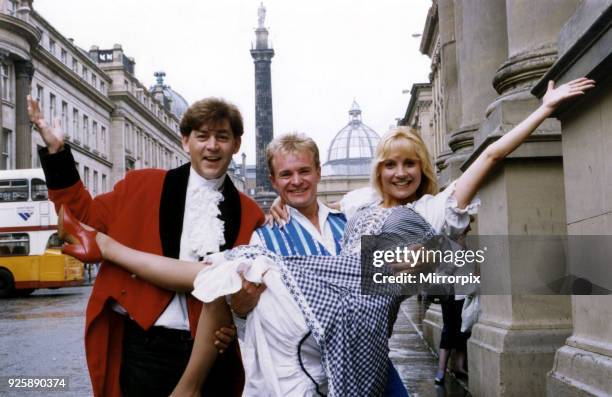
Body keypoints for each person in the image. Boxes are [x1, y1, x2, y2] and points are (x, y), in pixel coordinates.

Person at [57, 78, 594, 396]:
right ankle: (183, 374)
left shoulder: (404, 217)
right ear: (375, 174)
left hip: (366, 349)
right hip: (301, 350)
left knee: (504, 267)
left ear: (318, 172)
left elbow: (489, 160)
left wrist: (544, 110)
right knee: (221, 275)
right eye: (389, 165)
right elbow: (242, 304)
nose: (399, 174)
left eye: (409, 165)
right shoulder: (330, 213)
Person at [27, 96, 265, 396]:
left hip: (212, 355)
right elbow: (82, 219)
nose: (212, 146)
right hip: (144, 349)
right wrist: (57, 153)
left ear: (236, 145)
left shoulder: (250, 212)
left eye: (222, 137)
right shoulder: (142, 185)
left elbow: (250, 292)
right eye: (202, 136)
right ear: (185, 142)